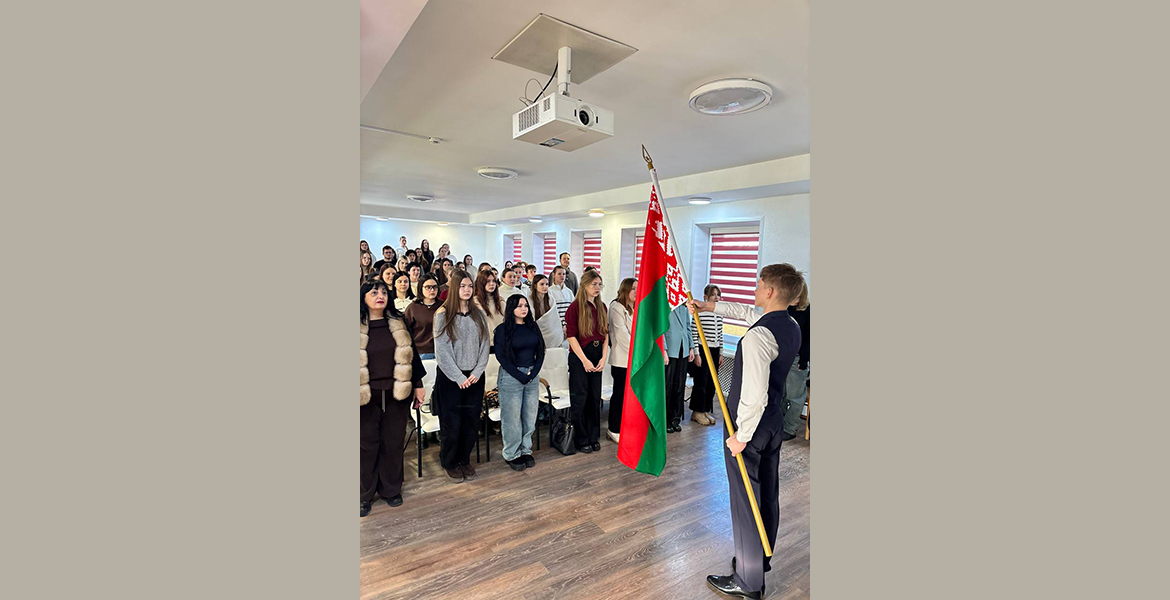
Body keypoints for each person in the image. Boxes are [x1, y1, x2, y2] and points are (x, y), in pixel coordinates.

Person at [690, 264, 806, 600]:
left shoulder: (758, 337)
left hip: (751, 427)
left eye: (759, 284)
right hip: (773, 422)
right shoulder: (790, 325)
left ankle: (748, 580)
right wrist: (709, 306)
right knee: (766, 493)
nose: (755, 289)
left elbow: (753, 396)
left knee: (745, 501)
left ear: (770, 291)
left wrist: (740, 437)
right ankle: (759, 558)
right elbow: (745, 312)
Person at [360, 278, 426, 517]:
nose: (380, 296)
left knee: (393, 442)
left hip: (396, 393)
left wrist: (418, 385)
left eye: (383, 292)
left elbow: (412, 356)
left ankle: (391, 489)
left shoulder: (398, 322)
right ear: (363, 298)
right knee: (365, 445)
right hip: (364, 396)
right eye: (373, 292)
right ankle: (364, 494)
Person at [432, 272, 490, 483]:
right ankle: (450, 462)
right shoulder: (442, 314)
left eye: (470, 286)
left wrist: (477, 371)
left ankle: (464, 459)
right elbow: (442, 351)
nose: (467, 290)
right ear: (455, 288)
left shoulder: (478, 313)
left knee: (471, 421)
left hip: (474, 376)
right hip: (451, 378)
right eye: (463, 286)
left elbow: (485, 343)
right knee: (452, 423)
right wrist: (458, 377)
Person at [493, 294, 546, 472]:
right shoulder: (502, 330)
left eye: (526, 305)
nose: (524, 309)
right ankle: (512, 453)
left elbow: (541, 351)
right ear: (511, 308)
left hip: (531, 376)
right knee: (512, 419)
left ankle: (525, 450)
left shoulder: (533, 326)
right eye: (519, 306)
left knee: (529, 416)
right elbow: (502, 357)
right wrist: (520, 375)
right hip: (511, 377)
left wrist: (534, 372)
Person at [564, 270, 608, 454]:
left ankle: (593, 436)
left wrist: (604, 357)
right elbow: (571, 337)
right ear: (584, 286)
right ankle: (581, 439)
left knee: (594, 398)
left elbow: (605, 334)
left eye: (599, 284)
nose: (597, 288)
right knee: (580, 398)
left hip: (597, 354)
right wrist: (584, 361)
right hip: (580, 356)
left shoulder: (602, 306)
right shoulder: (575, 308)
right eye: (593, 284)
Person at [606, 277, 637, 443]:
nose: (636, 292)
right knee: (619, 395)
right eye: (633, 288)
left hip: (635, 359)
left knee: (631, 396)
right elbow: (622, 336)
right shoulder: (616, 307)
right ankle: (614, 428)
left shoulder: (635, 307)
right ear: (625, 290)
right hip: (622, 360)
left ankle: (627, 426)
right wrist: (638, 353)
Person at [690, 284, 725, 426]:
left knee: (711, 382)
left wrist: (721, 353)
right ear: (706, 297)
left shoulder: (719, 313)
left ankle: (705, 409)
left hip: (715, 350)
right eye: (713, 295)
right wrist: (697, 354)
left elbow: (720, 334)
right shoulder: (699, 312)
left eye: (718, 295)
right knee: (701, 381)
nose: (716, 297)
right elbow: (694, 333)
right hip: (703, 349)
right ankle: (697, 411)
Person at [780, 283, 810, 441]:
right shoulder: (784, 309)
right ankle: (780, 425)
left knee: (795, 397)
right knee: (781, 395)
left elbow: (809, 338)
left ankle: (790, 428)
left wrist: (804, 360)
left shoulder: (808, 310)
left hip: (798, 359)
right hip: (782, 357)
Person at [663, 302, 696, 433]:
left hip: (684, 349)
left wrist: (691, 347)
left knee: (679, 386)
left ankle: (675, 419)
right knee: (668, 387)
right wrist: (664, 349)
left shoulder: (684, 307)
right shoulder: (665, 305)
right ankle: (665, 420)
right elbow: (661, 330)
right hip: (670, 350)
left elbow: (688, 327)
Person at [404, 273, 442, 359]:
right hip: (421, 352)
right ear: (421, 288)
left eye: (435, 287)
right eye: (428, 287)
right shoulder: (413, 308)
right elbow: (406, 331)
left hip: (441, 351)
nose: (432, 290)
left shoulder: (443, 306)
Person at [529, 274, 565, 349]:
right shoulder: (529, 300)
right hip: (536, 334)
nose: (545, 287)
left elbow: (554, 319)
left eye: (547, 284)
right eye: (542, 284)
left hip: (551, 334)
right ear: (535, 286)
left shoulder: (551, 300)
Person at [472, 271, 504, 349]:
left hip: (501, 344)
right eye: (488, 281)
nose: (492, 284)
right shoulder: (475, 302)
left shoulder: (501, 301)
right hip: (483, 345)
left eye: (494, 281)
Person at [548, 266, 575, 331]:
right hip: (555, 327)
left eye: (564, 274)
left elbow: (573, 311)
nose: (562, 276)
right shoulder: (549, 291)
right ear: (554, 275)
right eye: (559, 274)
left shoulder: (569, 292)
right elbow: (550, 312)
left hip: (569, 326)